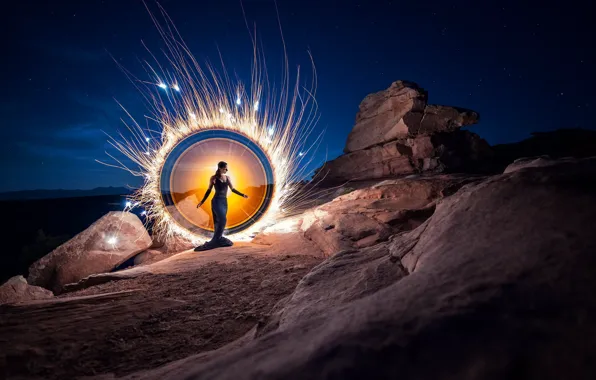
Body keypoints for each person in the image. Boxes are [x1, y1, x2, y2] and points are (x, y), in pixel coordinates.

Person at [194, 161, 249, 251]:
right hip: (216, 201)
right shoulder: (213, 178)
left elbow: (233, 189)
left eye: (227, 168)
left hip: (224, 202)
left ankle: (218, 239)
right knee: (223, 220)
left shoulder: (228, 178)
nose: (227, 170)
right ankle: (215, 241)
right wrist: (202, 202)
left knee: (218, 221)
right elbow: (208, 191)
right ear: (220, 168)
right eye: (225, 168)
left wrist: (242, 195)